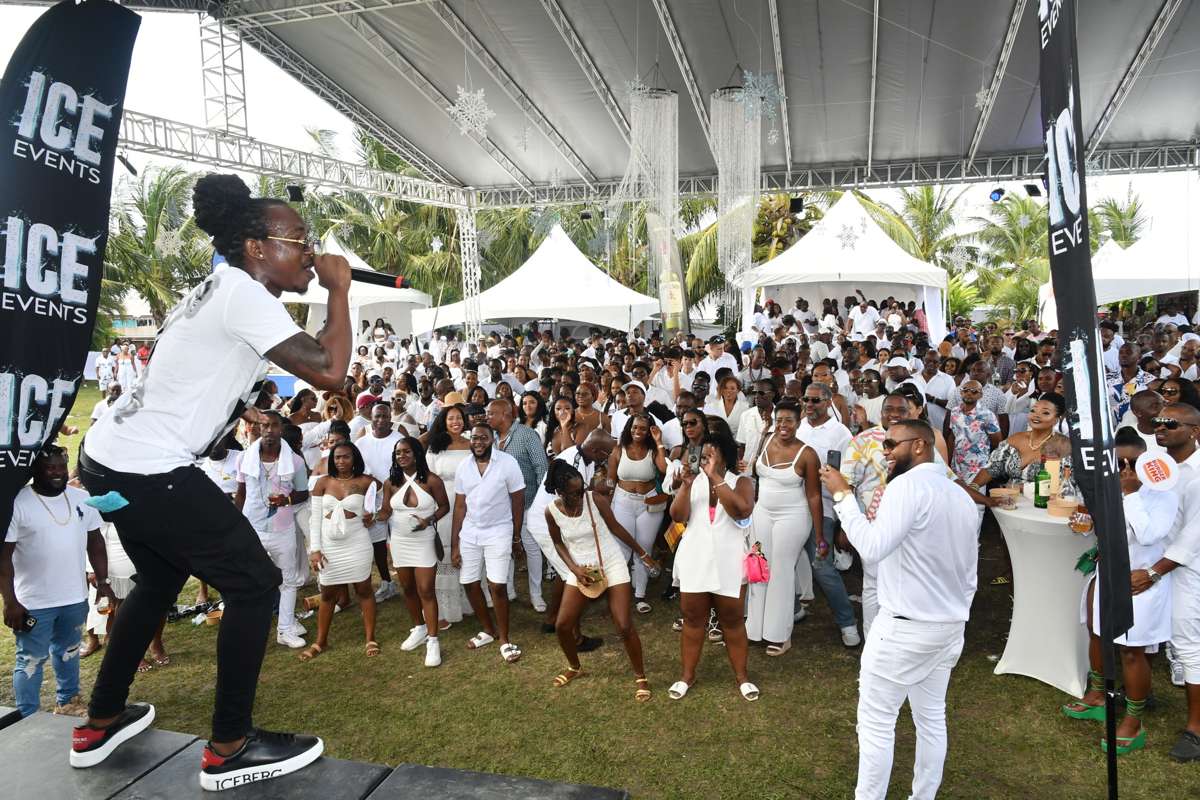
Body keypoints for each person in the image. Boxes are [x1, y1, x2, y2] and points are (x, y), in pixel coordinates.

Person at [73, 174, 344, 784]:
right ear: (257, 247)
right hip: (148, 467)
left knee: (159, 578)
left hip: (107, 456)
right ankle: (229, 746)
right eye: (299, 240)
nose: (310, 252)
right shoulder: (246, 295)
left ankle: (101, 721)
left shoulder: (218, 287)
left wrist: (223, 421)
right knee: (255, 584)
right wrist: (338, 290)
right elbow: (330, 371)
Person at [820, 419, 979, 800]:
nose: (885, 452)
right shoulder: (960, 496)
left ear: (920, 445)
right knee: (931, 718)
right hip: (949, 625)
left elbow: (872, 548)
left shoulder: (905, 487)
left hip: (905, 628)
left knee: (876, 724)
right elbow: (969, 573)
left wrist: (843, 497)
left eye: (892, 444)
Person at [1061, 429, 1176, 755]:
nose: (1126, 469)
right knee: (1097, 633)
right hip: (1107, 573)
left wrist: (1130, 494)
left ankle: (1133, 720)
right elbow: (1102, 526)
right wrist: (1086, 521)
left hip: (1141, 581)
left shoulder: (1162, 493)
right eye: (1119, 462)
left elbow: (1149, 534)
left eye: (1133, 463)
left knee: (1131, 651)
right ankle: (1098, 695)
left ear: (1146, 461)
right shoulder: (1105, 485)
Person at [2, 446, 112, 718]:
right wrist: (10, 602)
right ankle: (28, 716)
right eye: (50, 467)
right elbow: (3, 559)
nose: (58, 473)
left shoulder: (82, 498)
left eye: (62, 466)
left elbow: (96, 543)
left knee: (69, 652)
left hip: (74, 597)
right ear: (35, 469)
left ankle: (68, 703)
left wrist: (103, 580)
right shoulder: (16, 503)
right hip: (33, 602)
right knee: (30, 660)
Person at [544, 461, 656, 700]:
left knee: (624, 625)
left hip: (611, 562)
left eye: (581, 488)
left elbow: (616, 528)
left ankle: (640, 676)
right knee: (562, 625)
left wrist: (643, 554)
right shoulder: (551, 511)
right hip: (581, 568)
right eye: (574, 492)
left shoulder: (595, 499)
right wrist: (574, 569)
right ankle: (575, 667)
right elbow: (558, 543)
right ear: (560, 492)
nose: (581, 495)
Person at [668, 431, 759, 702]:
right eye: (702, 453)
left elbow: (741, 511)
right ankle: (687, 675)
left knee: (732, 621)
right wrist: (685, 486)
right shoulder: (693, 482)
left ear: (724, 456)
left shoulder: (741, 482)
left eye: (711, 454)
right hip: (695, 559)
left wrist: (717, 478)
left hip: (729, 561)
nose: (704, 458)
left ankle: (742, 677)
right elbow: (677, 516)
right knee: (692, 620)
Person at [1138, 403, 1200, 761]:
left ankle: (1195, 730)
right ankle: (1141, 695)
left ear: (1195, 431)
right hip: (1153, 564)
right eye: (1158, 422)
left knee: (1188, 645)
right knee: (1147, 633)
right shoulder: (1156, 465)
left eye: (1171, 424)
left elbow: (1192, 536)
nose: (1160, 428)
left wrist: (1154, 572)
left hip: (1185, 570)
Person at [745, 400, 824, 655]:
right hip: (762, 513)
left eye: (789, 420)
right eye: (779, 420)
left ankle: (780, 635)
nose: (783, 425)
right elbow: (755, 476)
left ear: (798, 423)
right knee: (759, 566)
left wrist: (820, 536)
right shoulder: (766, 438)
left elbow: (814, 496)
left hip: (793, 517)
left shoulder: (807, 454)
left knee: (780, 571)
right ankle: (755, 629)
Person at [234, 411, 310, 649]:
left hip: (282, 529)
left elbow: (303, 493)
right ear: (257, 428)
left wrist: (287, 500)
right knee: (250, 580)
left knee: (287, 581)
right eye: (264, 425)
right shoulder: (244, 458)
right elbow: (241, 494)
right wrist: (235, 526)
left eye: (274, 425)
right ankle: (249, 630)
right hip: (253, 529)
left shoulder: (295, 461)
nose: (269, 430)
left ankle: (285, 630)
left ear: (281, 429)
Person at [451, 423, 526, 664]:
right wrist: (455, 544)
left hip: (499, 531)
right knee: (469, 582)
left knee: (497, 585)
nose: (478, 442)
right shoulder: (464, 466)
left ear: (492, 439)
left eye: (483, 438)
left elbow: (518, 500)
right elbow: (459, 506)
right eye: (474, 438)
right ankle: (488, 630)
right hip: (470, 532)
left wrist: (516, 536)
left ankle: (504, 639)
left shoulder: (507, 463)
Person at [377, 437, 450, 667]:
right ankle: (419, 628)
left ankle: (433, 641)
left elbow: (445, 506)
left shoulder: (432, 480)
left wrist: (429, 520)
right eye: (398, 453)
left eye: (407, 452)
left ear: (417, 454)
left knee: (426, 589)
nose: (402, 456)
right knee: (408, 588)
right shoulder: (390, 482)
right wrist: (374, 517)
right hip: (399, 541)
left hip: (424, 541)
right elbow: (386, 510)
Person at [304, 442, 381, 661]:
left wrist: (373, 515)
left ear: (354, 458)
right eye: (337, 457)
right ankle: (321, 641)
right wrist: (315, 550)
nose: (341, 461)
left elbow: (381, 501)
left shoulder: (366, 481)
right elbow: (315, 519)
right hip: (330, 546)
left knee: (364, 589)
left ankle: (370, 638)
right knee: (328, 593)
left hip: (357, 543)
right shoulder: (322, 482)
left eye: (346, 456)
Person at [797, 382, 860, 647]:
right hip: (792, 505)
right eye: (806, 400)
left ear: (828, 403)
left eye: (816, 400)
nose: (809, 405)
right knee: (784, 560)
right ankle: (792, 608)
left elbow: (849, 478)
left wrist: (844, 523)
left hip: (823, 507)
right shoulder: (798, 426)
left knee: (822, 566)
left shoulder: (840, 433)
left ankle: (847, 622)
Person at [488, 399, 549, 611]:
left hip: (528, 502)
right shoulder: (491, 438)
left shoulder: (527, 435)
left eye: (491, 413)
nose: (487, 417)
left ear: (505, 414)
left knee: (531, 548)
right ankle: (509, 590)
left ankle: (536, 594)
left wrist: (540, 502)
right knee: (504, 547)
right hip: (500, 506)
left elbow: (542, 468)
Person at [607, 412, 669, 614]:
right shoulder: (619, 449)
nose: (638, 431)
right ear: (629, 428)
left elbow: (664, 469)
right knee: (622, 548)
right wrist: (606, 499)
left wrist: (659, 442)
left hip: (648, 503)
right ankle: (618, 593)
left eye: (643, 428)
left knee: (644, 548)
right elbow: (610, 479)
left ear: (649, 431)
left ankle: (640, 596)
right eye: (635, 427)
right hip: (622, 502)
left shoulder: (653, 451)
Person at [354, 402, 404, 603]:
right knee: (378, 545)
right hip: (372, 500)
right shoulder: (361, 443)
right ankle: (387, 582)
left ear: (390, 418)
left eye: (385, 416)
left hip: (398, 497)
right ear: (371, 418)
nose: (381, 420)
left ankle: (410, 579)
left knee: (400, 541)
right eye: (377, 416)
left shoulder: (399, 439)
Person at [944, 379, 1001, 483]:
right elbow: (952, 436)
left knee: (975, 493)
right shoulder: (955, 411)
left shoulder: (987, 415)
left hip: (977, 468)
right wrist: (948, 461)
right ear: (961, 392)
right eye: (965, 390)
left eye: (974, 391)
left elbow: (996, 441)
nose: (969, 393)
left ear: (980, 395)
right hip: (956, 466)